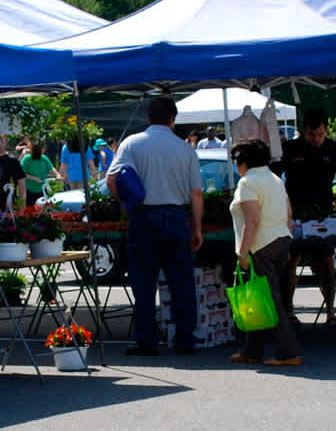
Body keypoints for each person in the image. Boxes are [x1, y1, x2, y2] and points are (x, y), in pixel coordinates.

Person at [107, 97, 203, 356]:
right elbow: (196, 193)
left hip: (143, 217)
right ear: (173, 119)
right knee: (181, 281)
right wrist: (197, 228)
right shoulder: (185, 149)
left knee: (143, 282)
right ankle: (185, 339)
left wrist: (125, 201)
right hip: (176, 217)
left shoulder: (131, 143)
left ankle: (146, 341)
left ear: (148, 117)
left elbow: (111, 179)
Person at [226, 140, 303, 366]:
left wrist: (242, 253)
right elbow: (289, 214)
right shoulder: (275, 179)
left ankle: (288, 353)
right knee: (257, 297)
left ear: (243, 161)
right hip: (280, 240)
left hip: (260, 246)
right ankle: (251, 350)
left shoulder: (247, 182)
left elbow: (252, 220)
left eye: (235, 160)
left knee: (269, 300)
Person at [277, 108, 336, 324]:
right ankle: (289, 311)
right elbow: (274, 176)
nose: (316, 139)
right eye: (311, 135)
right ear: (303, 131)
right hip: (294, 211)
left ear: (326, 131)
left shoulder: (335, 149)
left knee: (326, 261)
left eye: (320, 134)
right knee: (291, 260)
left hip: (322, 212)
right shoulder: (289, 148)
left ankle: (331, 312)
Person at [19, 139, 58, 208]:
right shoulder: (27, 159)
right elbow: (21, 173)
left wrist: (58, 175)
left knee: (43, 210)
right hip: (29, 190)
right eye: (43, 148)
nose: (45, 149)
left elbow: (52, 168)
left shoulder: (44, 158)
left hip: (42, 190)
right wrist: (34, 178)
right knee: (30, 210)